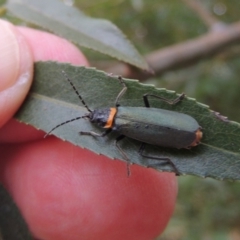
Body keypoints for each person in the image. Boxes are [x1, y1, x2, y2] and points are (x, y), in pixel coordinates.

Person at [0, 19, 177, 240]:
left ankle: (170, 158)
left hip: (166, 128)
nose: (94, 120)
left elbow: (104, 137)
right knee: (146, 103)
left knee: (141, 150)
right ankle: (173, 123)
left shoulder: (115, 124)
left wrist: (94, 135)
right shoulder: (119, 111)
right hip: (169, 128)